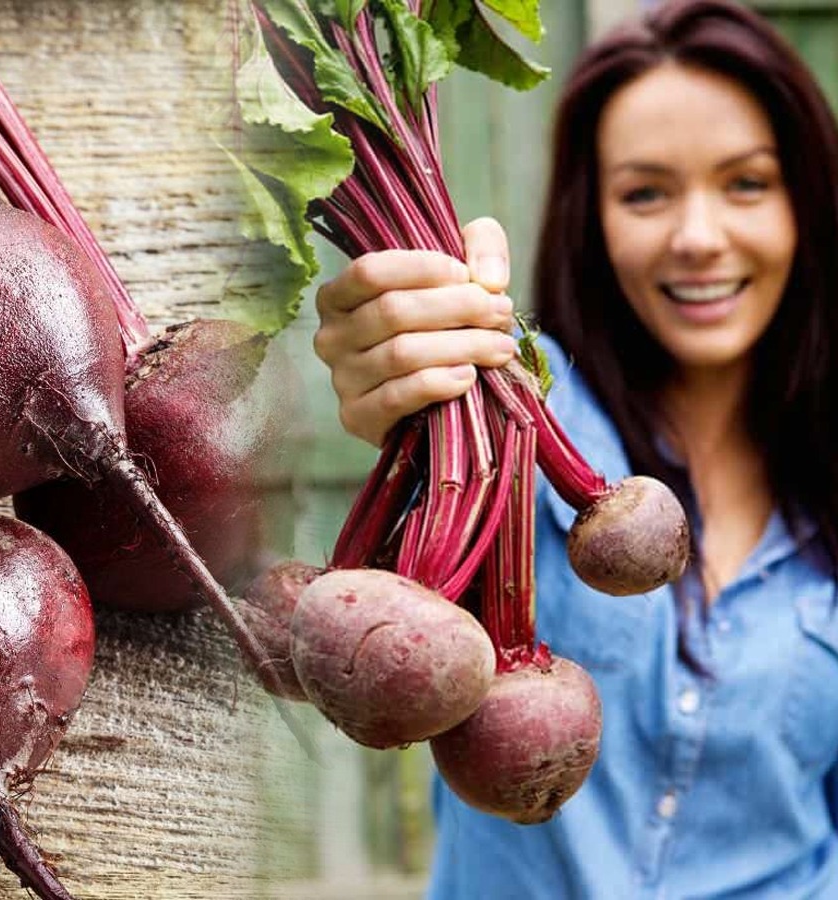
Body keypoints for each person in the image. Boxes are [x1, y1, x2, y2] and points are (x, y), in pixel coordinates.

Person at [311, 1, 838, 897]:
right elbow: (423, 403)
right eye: (645, 192)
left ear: (809, 202)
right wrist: (404, 381)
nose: (700, 237)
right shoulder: (512, 395)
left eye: (747, 183)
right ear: (590, 217)